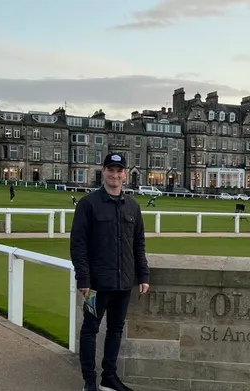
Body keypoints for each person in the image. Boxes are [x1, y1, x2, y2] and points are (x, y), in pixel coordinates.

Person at [70, 153, 150, 391]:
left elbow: (139, 244)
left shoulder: (133, 207)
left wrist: (143, 275)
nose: (115, 175)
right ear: (103, 171)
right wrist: (83, 278)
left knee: (116, 330)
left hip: (123, 283)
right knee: (90, 330)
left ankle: (109, 377)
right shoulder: (88, 205)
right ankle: (88, 381)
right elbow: (78, 245)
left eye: (119, 170)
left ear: (125, 174)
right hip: (95, 285)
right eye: (111, 170)